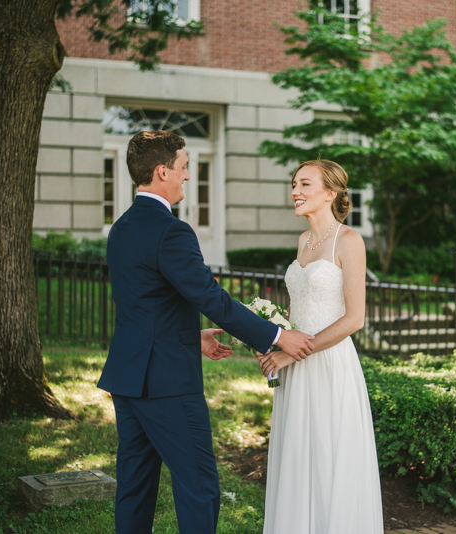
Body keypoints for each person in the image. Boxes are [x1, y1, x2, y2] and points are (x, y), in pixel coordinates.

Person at [97, 130, 315, 534]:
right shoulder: (171, 231)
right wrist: (277, 337)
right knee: (199, 485)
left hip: (128, 376)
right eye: (183, 168)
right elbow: (212, 299)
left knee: (134, 488)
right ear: (163, 171)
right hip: (166, 383)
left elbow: (142, 302)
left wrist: (189, 335)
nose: (186, 177)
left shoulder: (122, 227)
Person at [258, 160, 384, 533]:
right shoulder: (303, 241)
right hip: (294, 364)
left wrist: (293, 351)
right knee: (297, 457)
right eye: (294, 184)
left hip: (329, 365)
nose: (295, 191)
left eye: (305, 184)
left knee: (330, 457)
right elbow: (297, 311)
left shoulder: (349, 241)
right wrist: (273, 341)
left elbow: (353, 319)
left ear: (330, 193)